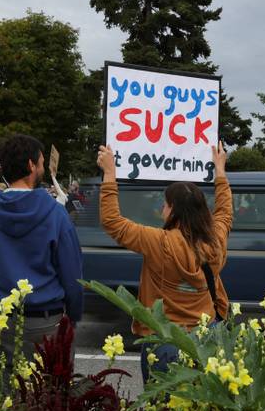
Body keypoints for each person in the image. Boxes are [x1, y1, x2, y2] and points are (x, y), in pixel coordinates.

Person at [97, 142, 233, 383]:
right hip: (207, 337)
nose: (162, 207)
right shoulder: (216, 239)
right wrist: (220, 170)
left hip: (165, 340)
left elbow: (112, 222)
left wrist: (110, 173)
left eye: (166, 203)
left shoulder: (158, 241)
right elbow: (225, 212)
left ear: (173, 211)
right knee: (199, 408)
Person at [0, 134, 84, 386]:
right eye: (41, 163)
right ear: (31, 166)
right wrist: (73, 316)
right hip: (44, 324)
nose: (42, 168)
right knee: (48, 405)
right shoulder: (56, 214)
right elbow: (72, 275)